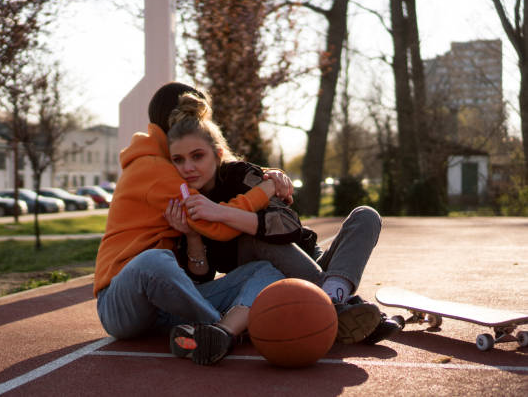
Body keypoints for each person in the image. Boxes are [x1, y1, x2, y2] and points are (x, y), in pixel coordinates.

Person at [163, 91, 401, 347]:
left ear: (217, 154)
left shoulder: (240, 176)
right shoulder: (182, 200)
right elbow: (202, 279)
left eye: (197, 156)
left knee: (366, 216)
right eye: (178, 160)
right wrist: (192, 234)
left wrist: (219, 212)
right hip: (269, 280)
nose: (188, 167)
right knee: (254, 241)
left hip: (309, 261)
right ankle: (338, 306)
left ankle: (333, 299)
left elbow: (288, 225)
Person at [94, 82, 294, 366]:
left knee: (265, 270)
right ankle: (221, 329)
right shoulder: (152, 168)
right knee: (154, 261)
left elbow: (220, 163)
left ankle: (216, 332)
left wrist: (264, 174)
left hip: (164, 305)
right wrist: (265, 190)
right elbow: (219, 226)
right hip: (121, 304)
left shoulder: (173, 164)